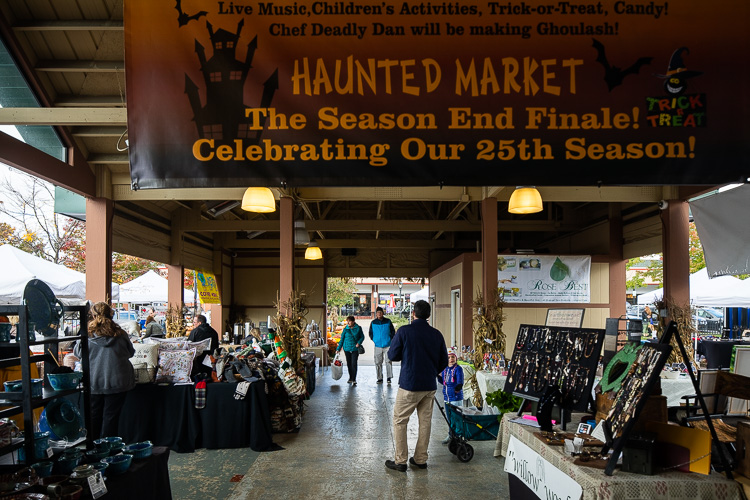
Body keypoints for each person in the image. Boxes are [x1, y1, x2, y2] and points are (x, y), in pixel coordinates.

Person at [386, 300, 448, 472]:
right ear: (429, 315)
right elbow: (444, 360)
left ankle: (400, 461)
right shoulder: (436, 334)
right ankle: (420, 459)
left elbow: (392, 355)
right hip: (429, 385)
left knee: (400, 420)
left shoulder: (405, 331)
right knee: (425, 422)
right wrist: (431, 370)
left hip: (409, 384)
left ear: (413, 313)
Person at [74, 302, 135, 439]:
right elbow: (130, 353)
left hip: (93, 380)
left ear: (93, 315)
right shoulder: (120, 333)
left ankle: (94, 449)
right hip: (118, 381)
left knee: (94, 416)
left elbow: (78, 353)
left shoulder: (87, 334)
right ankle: (109, 450)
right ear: (110, 314)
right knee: (111, 417)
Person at [438, 347, 464, 444]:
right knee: (449, 419)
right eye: (449, 357)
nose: (451, 359)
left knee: (457, 418)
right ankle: (451, 435)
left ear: (456, 358)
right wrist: (438, 377)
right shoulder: (445, 369)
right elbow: (444, 382)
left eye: (453, 357)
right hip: (447, 398)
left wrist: (458, 388)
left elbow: (460, 381)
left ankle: (458, 435)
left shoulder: (458, 369)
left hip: (456, 398)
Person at [369, 306, 395, 384]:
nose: (379, 314)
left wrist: (390, 339)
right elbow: (370, 333)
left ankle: (389, 377)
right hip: (378, 345)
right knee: (378, 362)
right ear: (376, 314)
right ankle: (379, 378)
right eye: (378, 313)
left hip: (388, 345)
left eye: (380, 312)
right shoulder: (373, 322)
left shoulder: (388, 321)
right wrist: (374, 340)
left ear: (383, 313)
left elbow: (393, 331)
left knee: (388, 361)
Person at [336, 316, 364, 386]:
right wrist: (338, 349)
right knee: (349, 364)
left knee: (354, 363)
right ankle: (350, 377)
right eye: (347, 321)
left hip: (355, 348)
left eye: (349, 321)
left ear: (353, 321)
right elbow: (342, 339)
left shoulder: (358, 328)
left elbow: (362, 336)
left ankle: (354, 379)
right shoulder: (346, 329)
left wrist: (359, 343)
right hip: (347, 349)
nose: (348, 322)